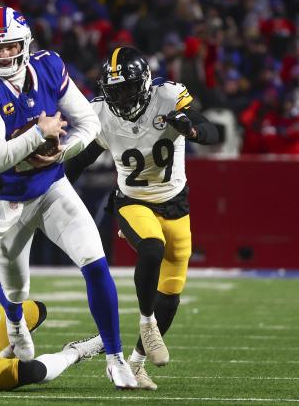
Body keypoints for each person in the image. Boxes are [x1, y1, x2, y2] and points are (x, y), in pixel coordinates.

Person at [0, 7, 136, 389]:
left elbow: (88, 122)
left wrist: (61, 151)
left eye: (9, 46)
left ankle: (116, 357)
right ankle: (17, 325)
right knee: (15, 290)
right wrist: (39, 134)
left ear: (24, 44)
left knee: (95, 262)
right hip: (5, 204)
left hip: (52, 188)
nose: (3, 54)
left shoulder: (49, 66)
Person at [65, 46, 221, 390]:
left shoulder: (167, 97)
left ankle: (135, 363)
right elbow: (78, 162)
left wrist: (192, 130)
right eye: (114, 90)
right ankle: (146, 323)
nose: (120, 98)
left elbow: (213, 132)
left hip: (175, 203)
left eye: (126, 88)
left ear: (145, 84)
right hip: (132, 202)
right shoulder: (102, 115)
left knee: (172, 290)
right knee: (152, 247)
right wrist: (51, 193)